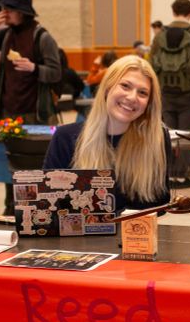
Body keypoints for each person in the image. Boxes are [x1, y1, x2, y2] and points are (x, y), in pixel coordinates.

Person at [44, 55, 171, 210]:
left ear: (149, 104)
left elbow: (159, 204)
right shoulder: (64, 138)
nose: (132, 97)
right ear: (107, 87)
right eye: (125, 86)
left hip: (135, 233)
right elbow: (49, 203)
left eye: (143, 93)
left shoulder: (157, 139)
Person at [149, 0, 190, 189]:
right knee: (188, 135)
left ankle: (167, 174)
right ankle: (182, 176)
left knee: (166, 134)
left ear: (173, 11)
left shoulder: (159, 36)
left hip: (165, 94)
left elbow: (151, 64)